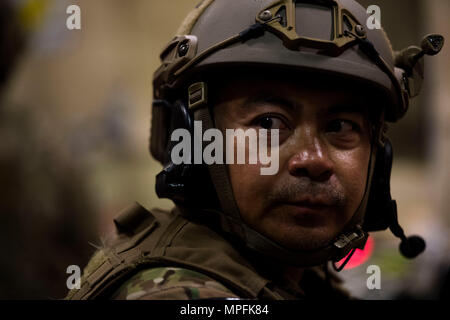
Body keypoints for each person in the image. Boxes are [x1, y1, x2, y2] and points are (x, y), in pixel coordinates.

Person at [66, 0, 444, 300]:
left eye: (341, 127)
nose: (313, 159)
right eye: (269, 123)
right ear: (194, 144)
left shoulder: (290, 277)